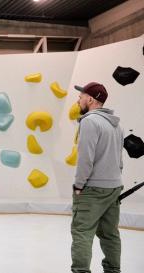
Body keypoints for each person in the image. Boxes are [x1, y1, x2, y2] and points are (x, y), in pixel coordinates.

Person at [71, 82, 123, 273]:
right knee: (110, 234)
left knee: (82, 233)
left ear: (91, 99)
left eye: (81, 96)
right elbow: (120, 160)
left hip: (92, 189)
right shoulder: (116, 125)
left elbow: (85, 159)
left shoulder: (89, 121)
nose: (78, 99)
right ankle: (112, 270)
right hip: (114, 187)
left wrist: (78, 185)